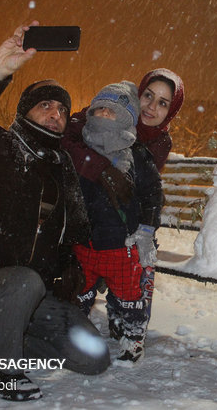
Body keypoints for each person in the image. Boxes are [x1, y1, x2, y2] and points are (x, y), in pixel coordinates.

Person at [0, 22, 110, 402]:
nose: (55, 114)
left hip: (33, 297)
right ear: (25, 112)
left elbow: (70, 236)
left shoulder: (61, 167)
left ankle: (11, 336)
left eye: (63, 110)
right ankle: (1, 370)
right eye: (45, 105)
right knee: (23, 280)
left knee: (93, 356)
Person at [63, 81, 163, 363]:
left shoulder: (137, 155)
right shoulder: (80, 151)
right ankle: (75, 335)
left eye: (113, 111)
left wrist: (145, 229)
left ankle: (131, 335)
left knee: (130, 296)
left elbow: (152, 195)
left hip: (122, 246)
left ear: (127, 116)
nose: (104, 115)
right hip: (84, 244)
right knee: (79, 294)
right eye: (100, 109)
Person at [62, 68, 184, 204]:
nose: (151, 106)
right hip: (79, 195)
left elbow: (142, 182)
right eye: (148, 95)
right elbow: (64, 140)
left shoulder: (160, 143)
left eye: (162, 103)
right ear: (139, 93)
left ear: (171, 111)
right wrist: (101, 169)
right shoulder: (110, 108)